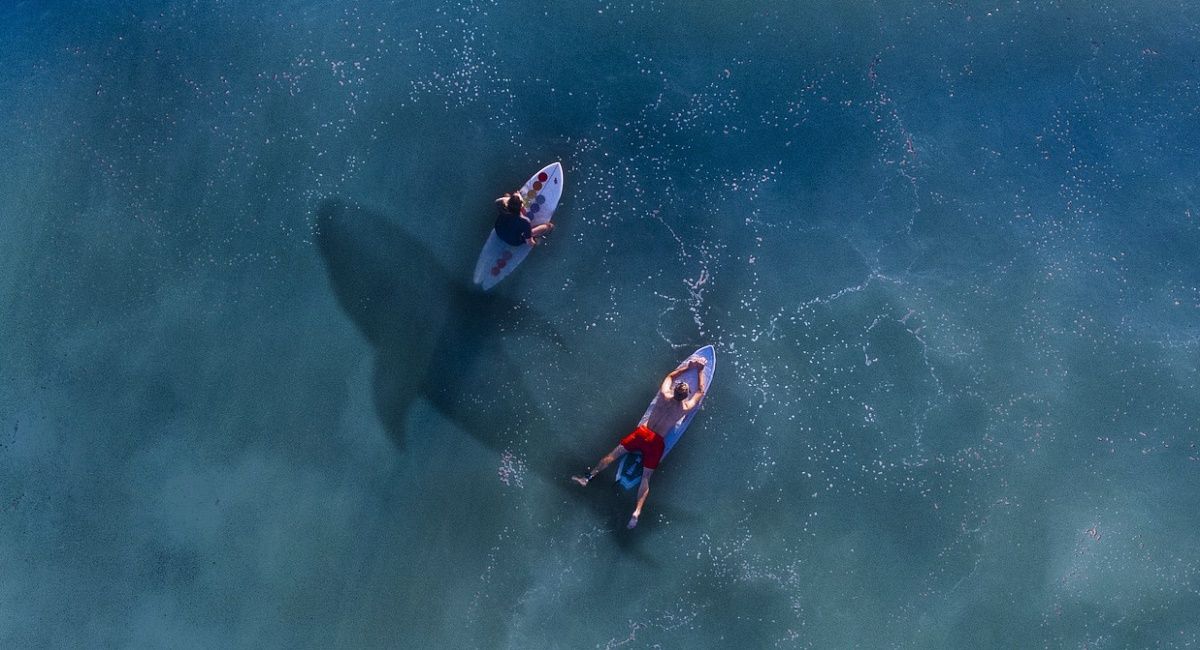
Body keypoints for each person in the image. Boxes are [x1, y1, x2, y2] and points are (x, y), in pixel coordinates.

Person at [572, 356, 708, 528]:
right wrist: (700, 370)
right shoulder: (685, 408)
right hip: (657, 442)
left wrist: (688, 367)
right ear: (686, 395)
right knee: (645, 477)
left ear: (674, 390)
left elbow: (670, 377)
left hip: (642, 433)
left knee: (613, 455)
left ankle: (588, 477)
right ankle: (636, 512)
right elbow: (701, 392)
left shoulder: (664, 395)